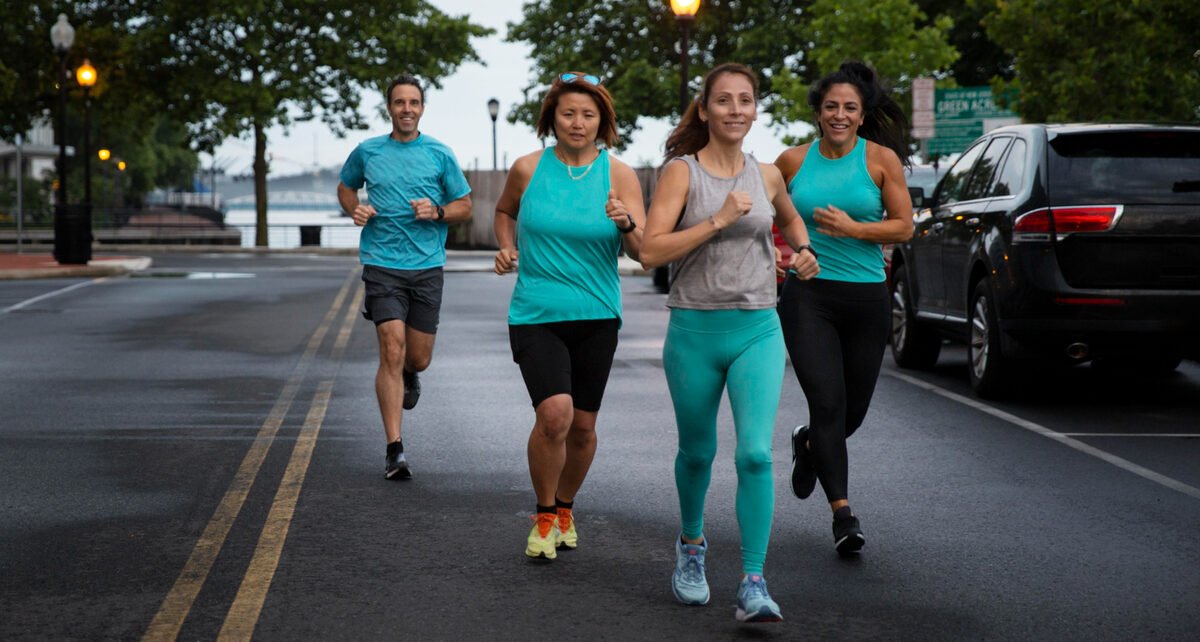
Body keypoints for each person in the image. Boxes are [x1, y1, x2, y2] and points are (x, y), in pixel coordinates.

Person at [640, 63, 820, 623]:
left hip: (758, 329)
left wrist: (804, 251)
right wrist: (717, 219)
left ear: (755, 110)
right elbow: (650, 252)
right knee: (698, 452)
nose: (736, 109)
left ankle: (753, 581)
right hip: (693, 329)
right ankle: (691, 550)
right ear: (705, 110)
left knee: (756, 454)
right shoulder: (681, 174)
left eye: (745, 100)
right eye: (724, 100)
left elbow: (791, 223)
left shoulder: (766, 175)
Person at [493, 72, 646, 561]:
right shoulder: (526, 168)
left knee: (582, 427)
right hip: (536, 311)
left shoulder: (619, 175)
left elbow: (643, 251)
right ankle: (542, 517)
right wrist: (505, 247)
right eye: (568, 113)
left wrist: (626, 223)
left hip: (597, 314)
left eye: (587, 114)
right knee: (554, 415)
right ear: (551, 119)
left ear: (601, 121)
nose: (577, 123)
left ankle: (565, 507)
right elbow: (503, 212)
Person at [773, 61, 913, 555]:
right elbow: (765, 217)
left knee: (851, 414)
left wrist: (854, 229)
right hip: (808, 298)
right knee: (828, 404)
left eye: (849, 107)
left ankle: (809, 444)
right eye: (831, 106)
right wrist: (777, 253)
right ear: (817, 112)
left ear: (861, 114)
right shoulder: (791, 162)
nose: (839, 114)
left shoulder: (881, 161)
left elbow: (903, 227)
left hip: (866, 298)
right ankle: (844, 516)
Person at [337, 73, 473, 480]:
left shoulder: (439, 154)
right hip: (382, 264)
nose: (407, 109)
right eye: (400, 103)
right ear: (389, 107)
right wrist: (354, 210)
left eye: (414, 103)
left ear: (422, 108)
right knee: (391, 349)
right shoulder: (368, 151)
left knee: (417, 357)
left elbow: (465, 205)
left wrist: (439, 212)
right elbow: (346, 188)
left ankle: (411, 373)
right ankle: (394, 448)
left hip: (427, 266)